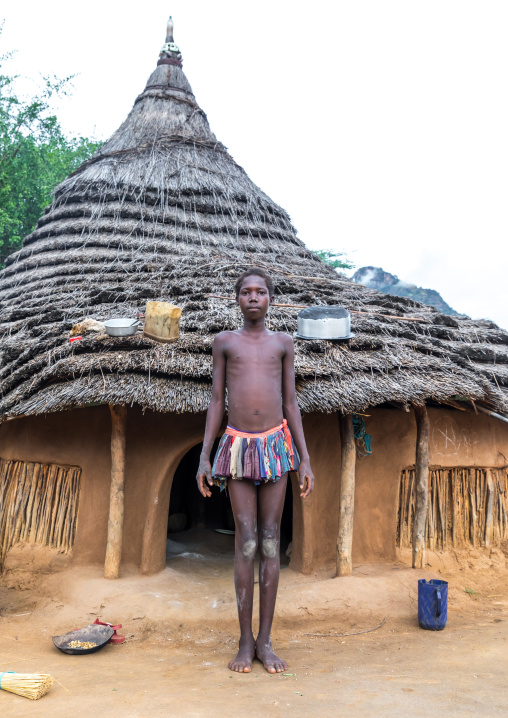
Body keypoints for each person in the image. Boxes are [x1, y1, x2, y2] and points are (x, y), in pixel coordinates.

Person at [196, 267, 315, 674]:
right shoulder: (224, 343)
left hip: (275, 448)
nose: (252, 297)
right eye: (245, 292)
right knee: (245, 542)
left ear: (270, 299)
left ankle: (265, 641)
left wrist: (305, 458)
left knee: (269, 541)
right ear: (237, 300)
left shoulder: (283, 343)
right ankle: (244, 641)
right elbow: (216, 400)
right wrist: (204, 456)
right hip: (237, 446)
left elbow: (291, 403)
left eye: (260, 292)